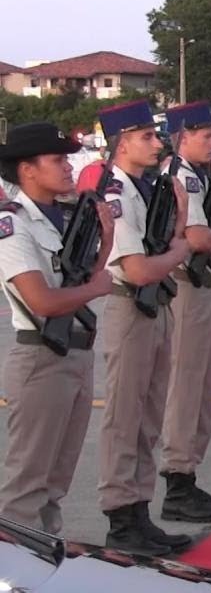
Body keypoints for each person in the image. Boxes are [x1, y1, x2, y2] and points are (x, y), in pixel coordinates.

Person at [0, 123, 114, 534]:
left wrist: (107, 237)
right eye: (57, 160)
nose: (68, 167)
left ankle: (45, 558)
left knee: (55, 483)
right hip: (41, 359)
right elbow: (43, 301)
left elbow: (80, 281)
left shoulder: (63, 216)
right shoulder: (12, 225)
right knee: (26, 487)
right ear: (27, 169)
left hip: (74, 354)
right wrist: (97, 286)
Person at [96, 100, 194, 555]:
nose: (157, 143)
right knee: (125, 416)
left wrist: (174, 243)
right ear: (121, 145)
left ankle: (139, 509)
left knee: (149, 412)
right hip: (130, 306)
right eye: (146, 137)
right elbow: (137, 269)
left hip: (154, 306)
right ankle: (120, 517)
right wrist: (178, 253)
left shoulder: (146, 188)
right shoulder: (116, 193)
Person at [157, 102, 211, 523]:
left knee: (203, 386)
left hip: (204, 286)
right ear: (182, 137)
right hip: (188, 288)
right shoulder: (181, 178)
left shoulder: (201, 176)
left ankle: (187, 473)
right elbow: (200, 236)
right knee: (187, 387)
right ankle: (177, 480)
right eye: (205, 135)